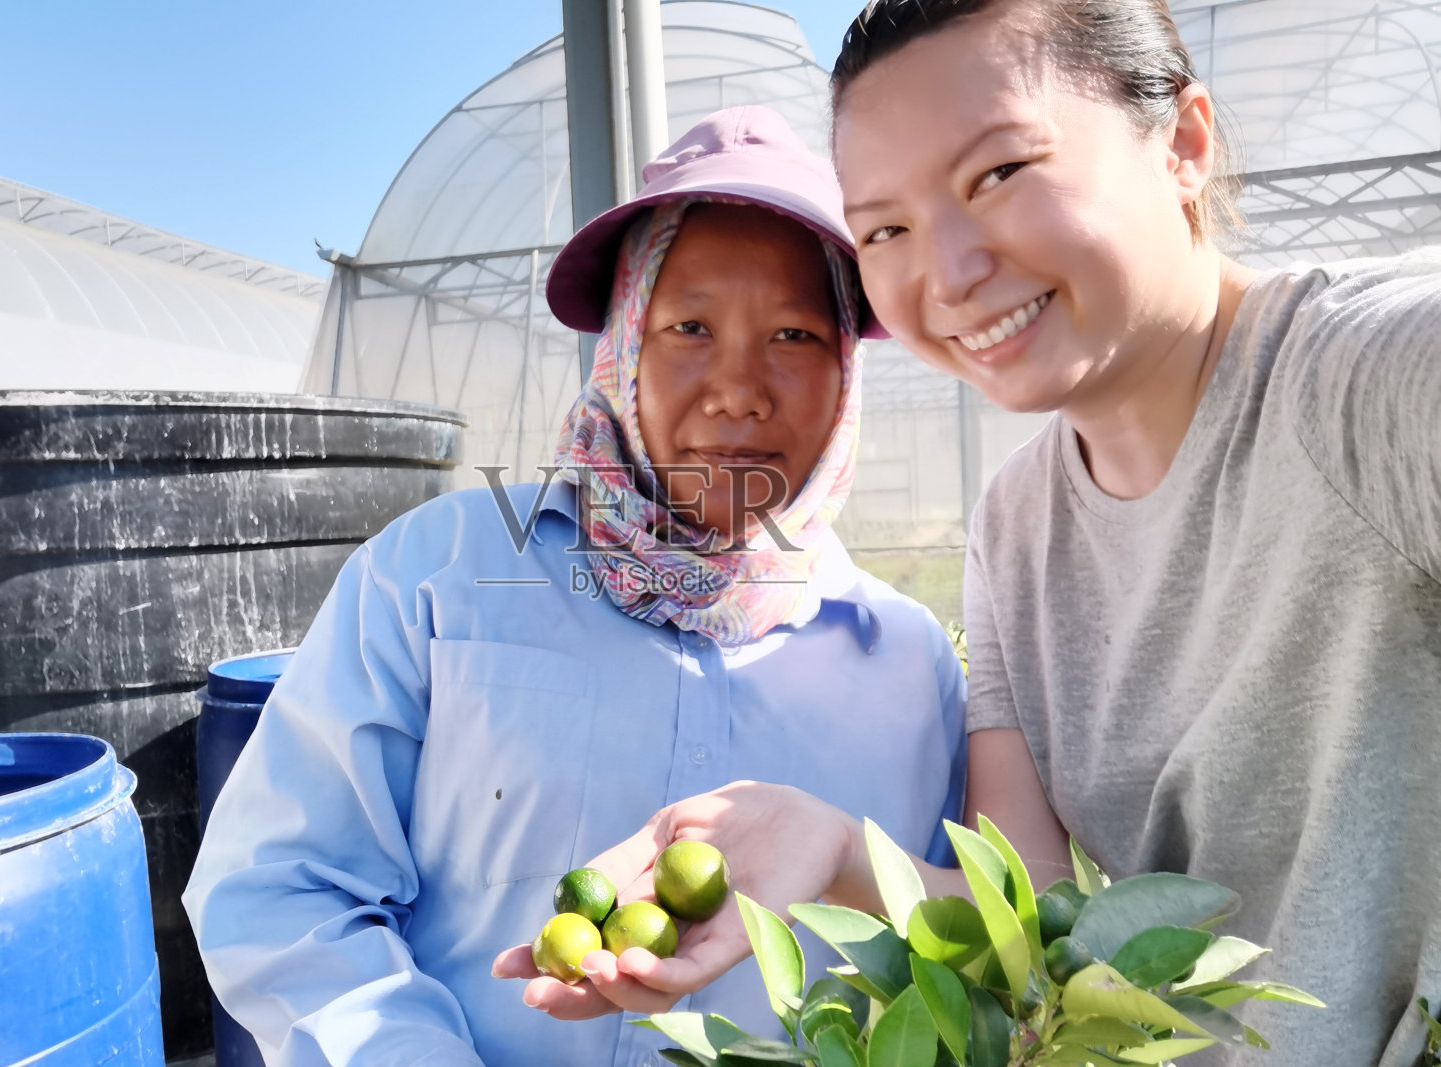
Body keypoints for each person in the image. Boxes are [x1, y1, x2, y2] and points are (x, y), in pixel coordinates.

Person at [520, 3, 1441, 1064]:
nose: (947, 272)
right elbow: (1034, 915)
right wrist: (828, 845)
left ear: (1183, 145)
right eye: (886, 229)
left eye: (998, 173)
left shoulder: (1361, 385)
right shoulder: (1017, 523)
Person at [182, 105, 969, 1067]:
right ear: (623, 348)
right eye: (688, 326)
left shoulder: (907, 661)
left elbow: (941, 963)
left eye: (797, 335)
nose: (738, 388)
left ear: (848, 370)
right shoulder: (437, 577)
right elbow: (281, 883)